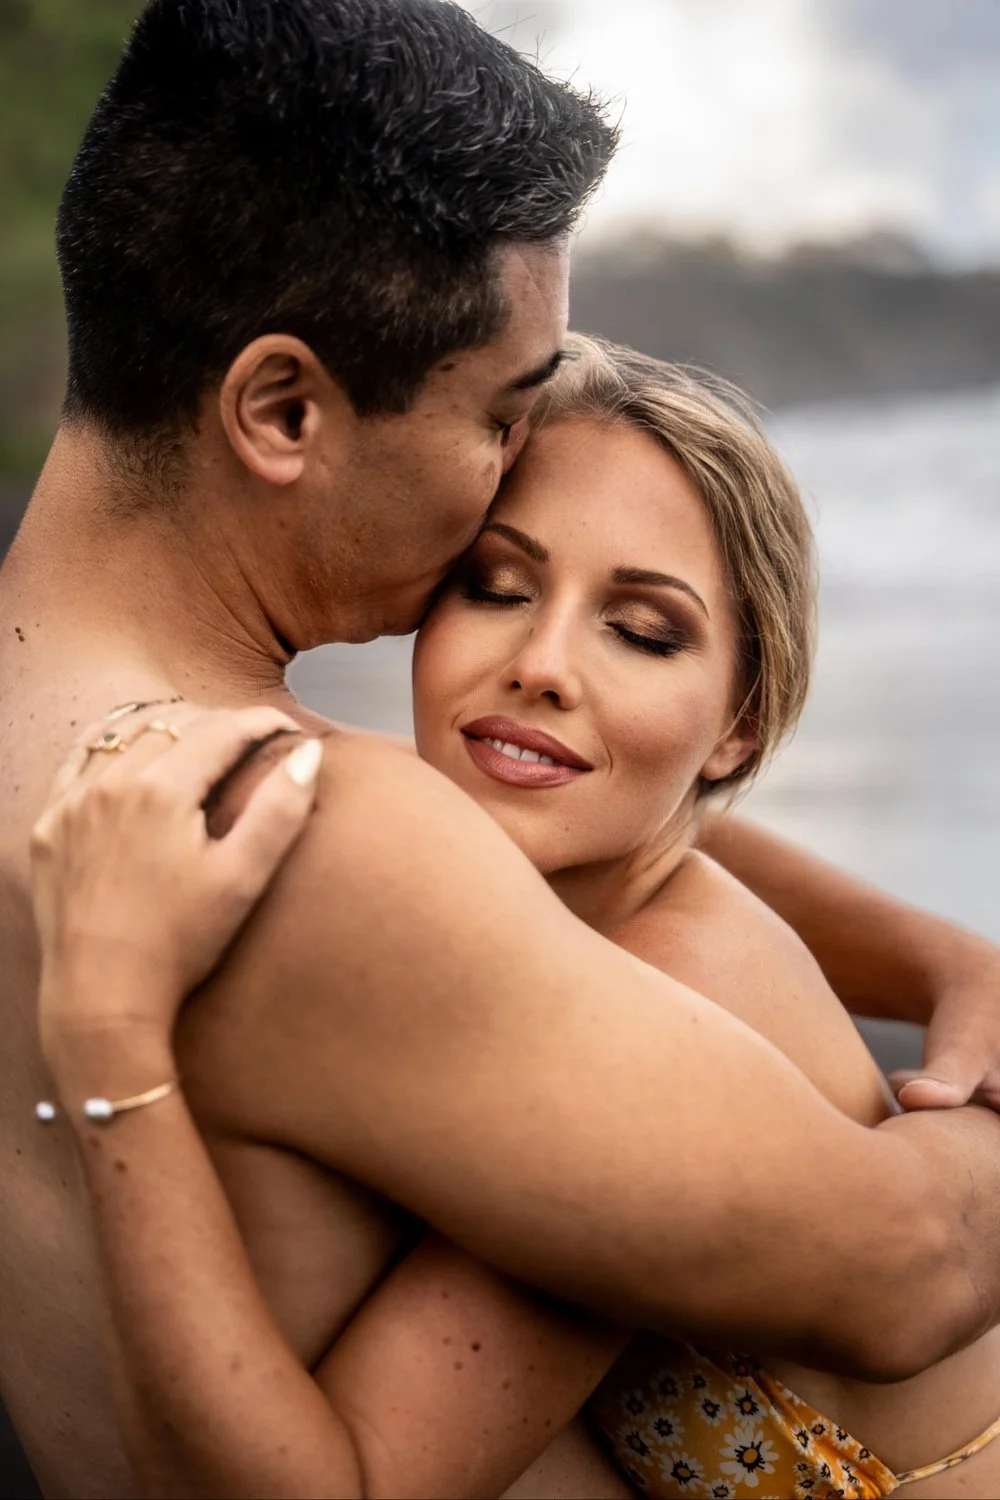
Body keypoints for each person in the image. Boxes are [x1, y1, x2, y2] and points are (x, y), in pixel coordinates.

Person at [4, 1, 1000, 1494]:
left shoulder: (56, 721)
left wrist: (940, 958)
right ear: (282, 408)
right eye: (499, 422)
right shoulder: (310, 834)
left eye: (640, 629)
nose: (496, 490)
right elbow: (913, 1266)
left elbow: (600, 836)